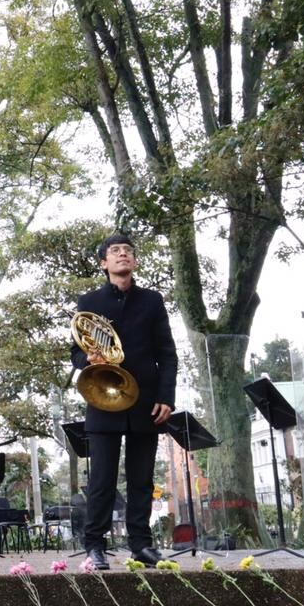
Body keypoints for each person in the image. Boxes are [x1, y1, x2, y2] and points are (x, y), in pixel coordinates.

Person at [71, 234, 177, 570]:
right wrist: (87, 357)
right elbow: (74, 352)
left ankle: (141, 545)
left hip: (145, 401)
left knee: (142, 478)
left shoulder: (152, 301)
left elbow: (168, 354)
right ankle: (95, 546)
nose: (122, 255)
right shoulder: (88, 300)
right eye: (115, 252)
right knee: (101, 478)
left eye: (128, 251)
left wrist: (166, 398)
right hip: (103, 400)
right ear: (104, 263)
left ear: (134, 261)